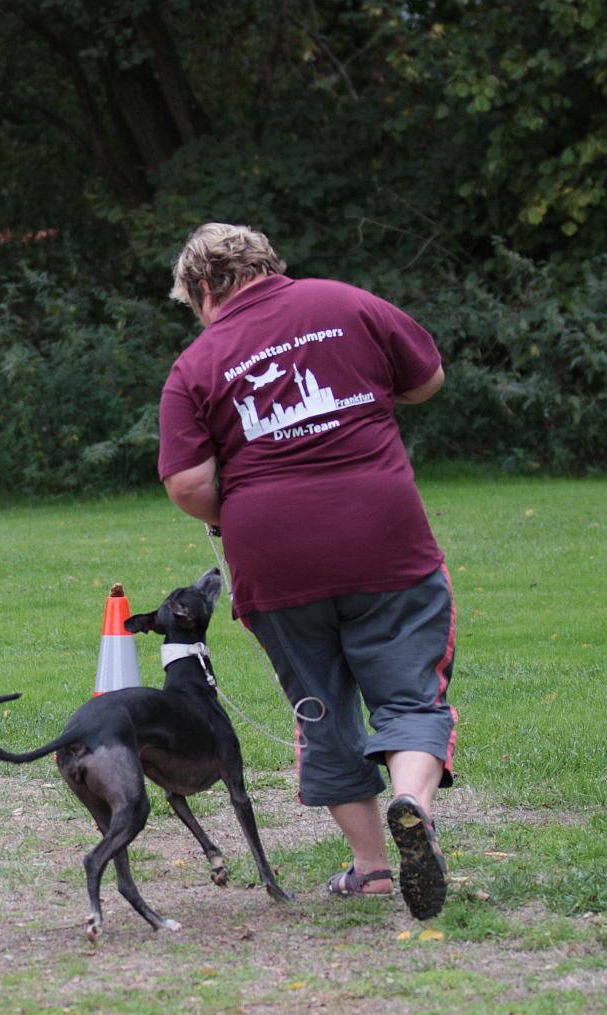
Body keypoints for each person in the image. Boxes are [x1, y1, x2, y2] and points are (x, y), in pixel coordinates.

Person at [155, 222, 455, 920]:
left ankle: (372, 868)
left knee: (318, 706)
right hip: (385, 539)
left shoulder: (196, 364)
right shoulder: (348, 303)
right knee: (410, 694)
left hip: (275, 559)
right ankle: (412, 801)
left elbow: (188, 484)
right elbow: (427, 381)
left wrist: (242, 509)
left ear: (205, 289)